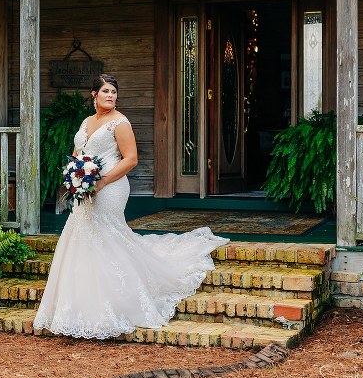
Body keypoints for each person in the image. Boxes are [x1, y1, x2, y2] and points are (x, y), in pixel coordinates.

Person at [33, 74, 229, 339]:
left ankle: (117, 303)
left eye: (114, 92)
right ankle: (79, 305)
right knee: (80, 235)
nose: (110, 96)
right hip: (86, 188)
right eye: (105, 91)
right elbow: (78, 152)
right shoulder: (86, 122)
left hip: (111, 186)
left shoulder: (120, 123)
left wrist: (101, 182)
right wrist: (75, 174)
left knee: (106, 234)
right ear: (94, 95)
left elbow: (131, 159)